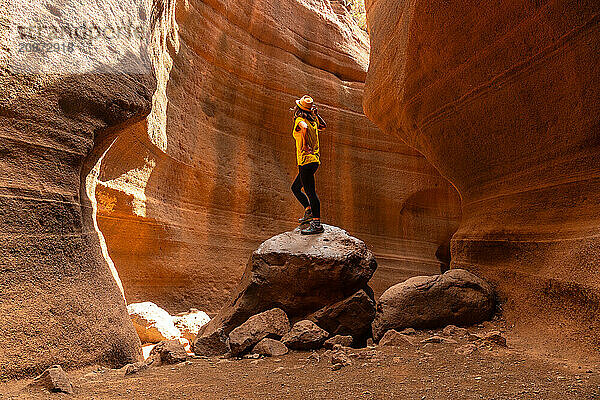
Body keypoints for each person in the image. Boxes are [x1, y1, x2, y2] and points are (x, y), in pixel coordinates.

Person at [290, 95, 327, 235]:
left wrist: (305, 145)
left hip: (305, 161)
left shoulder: (300, 120)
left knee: (311, 192)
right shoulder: (314, 121)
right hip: (314, 161)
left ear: (298, 108)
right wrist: (317, 115)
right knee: (296, 188)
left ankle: (316, 224)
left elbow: (303, 128)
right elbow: (324, 126)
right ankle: (308, 211)